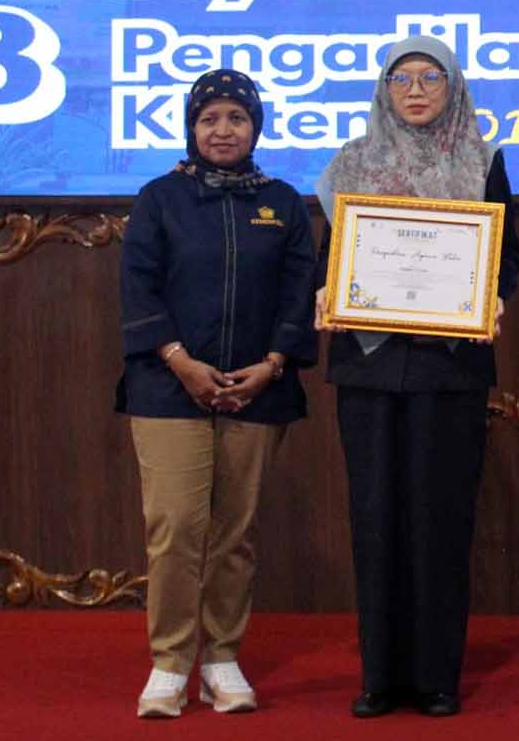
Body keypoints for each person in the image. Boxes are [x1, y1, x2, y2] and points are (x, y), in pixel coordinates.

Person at [312, 35, 519, 719]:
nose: (415, 90)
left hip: (449, 365)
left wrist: (493, 295)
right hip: (369, 365)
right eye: (401, 78)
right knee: (375, 519)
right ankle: (379, 675)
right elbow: (331, 257)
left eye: (430, 77)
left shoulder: (483, 160)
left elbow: (508, 258)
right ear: (383, 90)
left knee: (440, 519)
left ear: (453, 87)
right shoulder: (352, 163)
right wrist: (326, 289)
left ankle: (437, 676)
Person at [117, 69, 317, 718]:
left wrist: (273, 363)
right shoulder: (159, 199)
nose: (223, 131)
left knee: (235, 533)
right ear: (191, 128)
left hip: (259, 389)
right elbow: (138, 289)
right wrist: (181, 363)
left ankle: (222, 659)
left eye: (236, 118)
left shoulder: (284, 204)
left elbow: (298, 293)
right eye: (209, 119)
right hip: (167, 387)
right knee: (176, 528)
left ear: (256, 127)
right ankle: (170, 663)